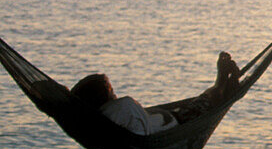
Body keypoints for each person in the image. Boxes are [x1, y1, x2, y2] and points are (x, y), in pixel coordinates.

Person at [70, 52, 241, 134]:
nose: (115, 95)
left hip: (169, 120)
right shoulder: (120, 107)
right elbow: (141, 134)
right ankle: (223, 83)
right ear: (104, 96)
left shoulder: (102, 118)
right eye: (112, 91)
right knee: (208, 102)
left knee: (204, 100)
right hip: (175, 126)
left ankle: (223, 83)